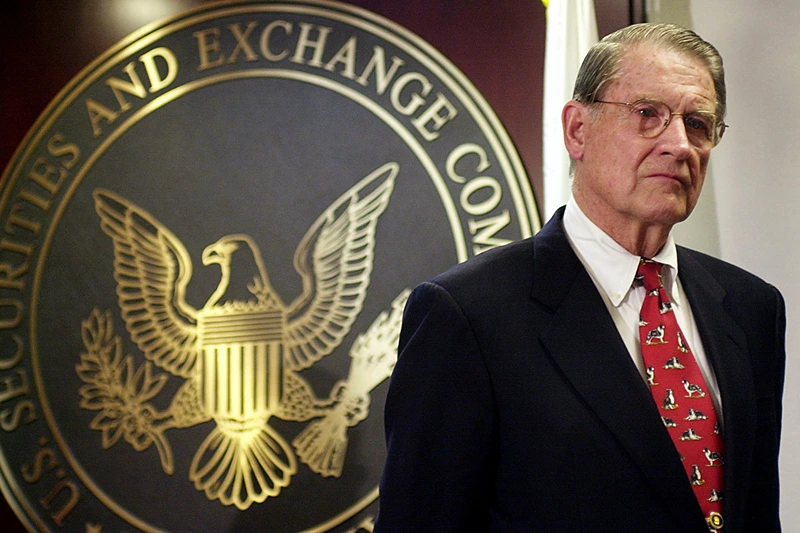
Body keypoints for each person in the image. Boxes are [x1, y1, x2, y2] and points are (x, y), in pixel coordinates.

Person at [374, 23, 785, 532]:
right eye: (647, 115)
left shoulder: (750, 308)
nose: (679, 144)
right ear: (577, 131)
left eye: (698, 124)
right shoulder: (468, 315)